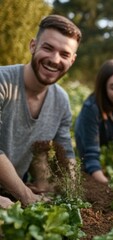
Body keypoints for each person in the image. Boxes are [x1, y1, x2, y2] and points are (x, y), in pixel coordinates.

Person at [0, 15, 81, 208]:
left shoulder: (60, 100)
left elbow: (65, 153)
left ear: (72, 60)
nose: (54, 59)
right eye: (48, 48)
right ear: (33, 46)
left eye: (64, 54)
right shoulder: (3, 81)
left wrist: (71, 192)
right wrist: (26, 196)